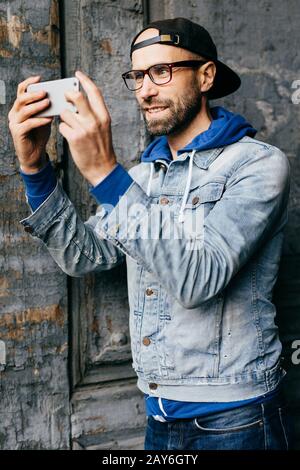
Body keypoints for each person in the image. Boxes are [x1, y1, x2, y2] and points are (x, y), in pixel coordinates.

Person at [8, 17, 293, 450]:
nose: (145, 89)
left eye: (161, 72)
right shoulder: (143, 177)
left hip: (236, 421)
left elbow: (199, 279)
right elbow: (85, 255)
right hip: (158, 418)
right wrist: (35, 171)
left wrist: (106, 174)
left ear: (206, 76)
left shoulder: (257, 165)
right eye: (137, 76)